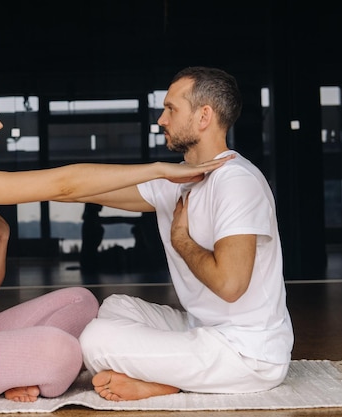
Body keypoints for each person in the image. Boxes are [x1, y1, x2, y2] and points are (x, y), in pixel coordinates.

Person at [0, 68, 234, 403]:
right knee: (62, 352)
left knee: (79, 302)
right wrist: (160, 168)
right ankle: (15, 369)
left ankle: (8, 369)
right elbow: (64, 184)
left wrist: (4, 238)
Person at [77, 66, 294, 401]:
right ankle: (172, 375)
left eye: (171, 109)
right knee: (114, 307)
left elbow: (230, 285)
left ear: (203, 116)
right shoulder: (178, 179)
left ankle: (169, 383)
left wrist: (182, 240)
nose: (162, 120)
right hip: (202, 329)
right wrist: (12, 185)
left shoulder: (236, 181)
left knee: (95, 339)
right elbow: (86, 189)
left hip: (247, 352)